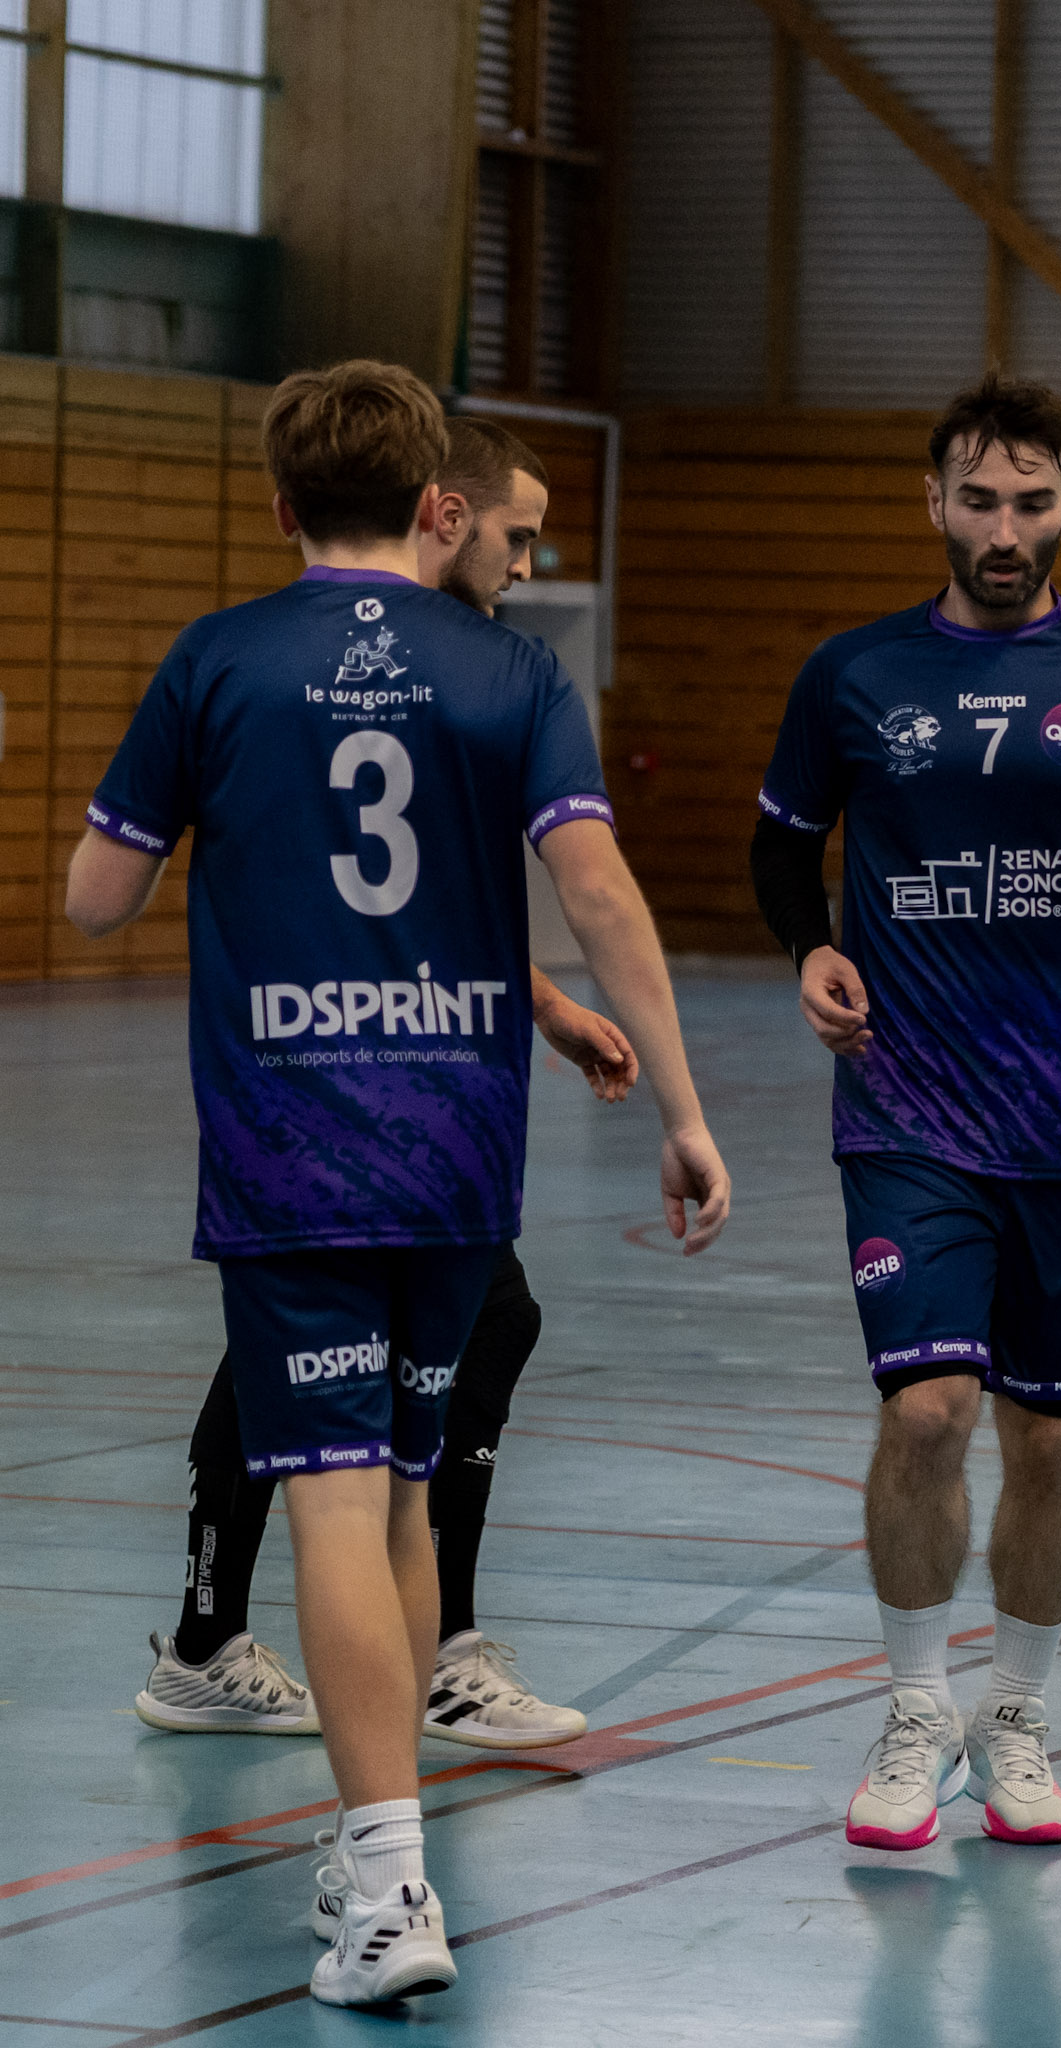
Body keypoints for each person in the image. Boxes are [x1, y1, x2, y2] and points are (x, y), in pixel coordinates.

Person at [67, 359, 730, 2009]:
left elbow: (94, 899)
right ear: (434, 501)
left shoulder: (219, 659)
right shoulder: (512, 671)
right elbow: (598, 891)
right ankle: (388, 1850)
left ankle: (383, 1888)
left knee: (334, 1504)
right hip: (454, 1143)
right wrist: (683, 1111)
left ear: (281, 504)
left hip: (289, 1143)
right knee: (408, 1498)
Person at [750, 372, 1061, 1855]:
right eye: (979, 499)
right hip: (905, 1106)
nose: (1005, 528)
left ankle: (1015, 1715)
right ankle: (916, 1709)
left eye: (1032, 502)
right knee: (928, 1409)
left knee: (1048, 1442)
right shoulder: (853, 673)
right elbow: (781, 848)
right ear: (936, 502)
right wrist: (810, 949)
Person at [134, 417, 636, 1755]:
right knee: (462, 1324)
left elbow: (412, 909)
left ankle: (215, 1639)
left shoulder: (432, 672)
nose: (524, 567)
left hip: (394, 1081)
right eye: (516, 535)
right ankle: (425, 1654)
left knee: (333, 1341)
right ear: (442, 514)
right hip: (337, 1090)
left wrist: (544, 1006)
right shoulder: (331, 667)